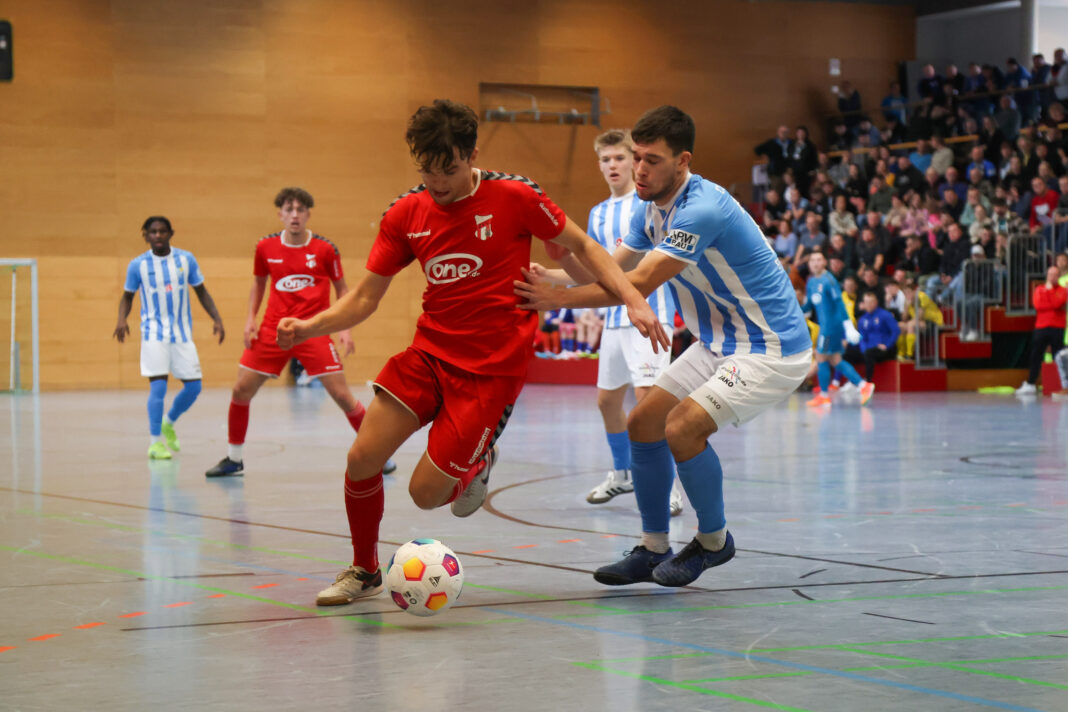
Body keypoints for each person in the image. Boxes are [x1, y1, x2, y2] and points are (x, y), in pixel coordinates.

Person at [279, 100, 665, 605]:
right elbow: (365, 298)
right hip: (429, 355)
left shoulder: (516, 195)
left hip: (489, 372)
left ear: (472, 154)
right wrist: (310, 325)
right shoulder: (406, 213)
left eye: (450, 170)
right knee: (361, 457)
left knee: (426, 495)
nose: (437, 183)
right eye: (427, 170)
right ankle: (364, 570)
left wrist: (633, 298)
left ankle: (480, 457)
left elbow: (587, 248)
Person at [515, 105, 812, 588]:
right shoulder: (647, 206)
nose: (638, 170)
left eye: (651, 160)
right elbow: (611, 269)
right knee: (642, 422)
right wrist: (553, 269)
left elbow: (640, 282)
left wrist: (559, 300)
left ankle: (714, 542)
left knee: (683, 429)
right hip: (721, 342)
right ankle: (653, 548)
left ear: (683, 161)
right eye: (636, 157)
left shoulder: (702, 209)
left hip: (771, 348)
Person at [531, 128, 683, 514]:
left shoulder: (647, 204)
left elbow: (645, 269)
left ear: (634, 161)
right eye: (605, 160)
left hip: (650, 313)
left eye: (619, 158)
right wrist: (548, 273)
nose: (612, 165)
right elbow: (595, 276)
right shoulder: (598, 213)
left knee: (648, 406)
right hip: (613, 319)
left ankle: (669, 487)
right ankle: (622, 474)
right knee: (606, 402)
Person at [204, 188, 395, 478]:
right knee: (241, 389)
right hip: (272, 330)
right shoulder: (265, 247)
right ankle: (234, 459)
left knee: (342, 395)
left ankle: (378, 455)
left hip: (314, 330)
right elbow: (258, 283)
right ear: (280, 213)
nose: (295, 215)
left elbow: (342, 289)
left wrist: (345, 328)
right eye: (289, 209)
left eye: (300, 210)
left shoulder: (325, 249)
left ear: (308, 214)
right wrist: (250, 320)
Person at [114, 216, 225, 459]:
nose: (157, 235)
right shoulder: (138, 265)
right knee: (159, 387)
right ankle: (155, 443)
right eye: (152, 232)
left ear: (170, 233)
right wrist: (122, 319)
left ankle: (169, 421)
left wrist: (216, 318)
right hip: (153, 334)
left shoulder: (186, 259)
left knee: (194, 387)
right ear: (145, 235)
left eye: (162, 231)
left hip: (182, 334)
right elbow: (127, 296)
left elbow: (201, 291)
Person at [802, 251, 874, 407]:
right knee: (835, 359)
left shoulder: (829, 280)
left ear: (824, 263)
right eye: (812, 260)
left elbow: (840, 304)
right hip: (824, 326)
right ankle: (863, 386)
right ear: (809, 264)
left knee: (821, 357)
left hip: (831, 327)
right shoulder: (811, 282)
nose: (815, 263)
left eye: (819, 259)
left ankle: (824, 395)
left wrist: (848, 327)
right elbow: (808, 306)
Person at [1016, 265, 1067, 396]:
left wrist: (1049, 294)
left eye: (1055, 275)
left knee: (1059, 357)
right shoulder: (1039, 289)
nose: (1052, 277)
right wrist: (1051, 297)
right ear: (1047, 276)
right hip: (1041, 327)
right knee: (1036, 355)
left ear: (1059, 276)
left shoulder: (1063, 290)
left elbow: (1057, 303)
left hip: (1057, 327)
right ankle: (1031, 384)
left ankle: (1062, 385)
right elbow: (1038, 305)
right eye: (1050, 274)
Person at [856, 291, 900, 381]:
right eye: (866, 302)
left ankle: (868, 382)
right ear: (863, 304)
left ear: (876, 302)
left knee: (869, 353)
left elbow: (896, 331)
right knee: (846, 354)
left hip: (885, 348)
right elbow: (862, 337)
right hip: (869, 349)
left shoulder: (885, 315)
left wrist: (887, 345)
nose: (868, 305)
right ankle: (844, 382)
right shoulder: (862, 319)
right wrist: (863, 349)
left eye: (871, 302)